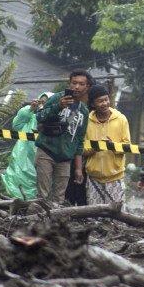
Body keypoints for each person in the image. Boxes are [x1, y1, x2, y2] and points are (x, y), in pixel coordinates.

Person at [34, 70, 92, 204]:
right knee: (43, 195)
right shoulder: (57, 98)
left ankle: (53, 224)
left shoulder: (83, 111)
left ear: (87, 87)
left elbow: (79, 140)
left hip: (65, 159)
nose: (77, 87)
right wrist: (59, 106)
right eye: (74, 83)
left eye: (81, 84)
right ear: (69, 84)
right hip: (46, 152)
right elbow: (40, 116)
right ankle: (36, 223)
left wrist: (78, 169)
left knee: (59, 198)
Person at [82, 85, 131, 204]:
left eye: (106, 99)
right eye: (100, 101)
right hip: (93, 178)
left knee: (117, 217)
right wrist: (95, 148)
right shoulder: (86, 121)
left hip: (115, 177)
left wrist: (112, 146)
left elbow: (127, 146)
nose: (104, 103)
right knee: (94, 218)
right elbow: (81, 149)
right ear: (93, 104)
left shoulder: (121, 119)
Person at [1, 91, 51, 199]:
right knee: (17, 181)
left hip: (42, 160)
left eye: (47, 103)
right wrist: (30, 109)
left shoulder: (54, 123)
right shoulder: (31, 118)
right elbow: (17, 124)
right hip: (23, 158)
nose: (43, 105)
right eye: (41, 102)